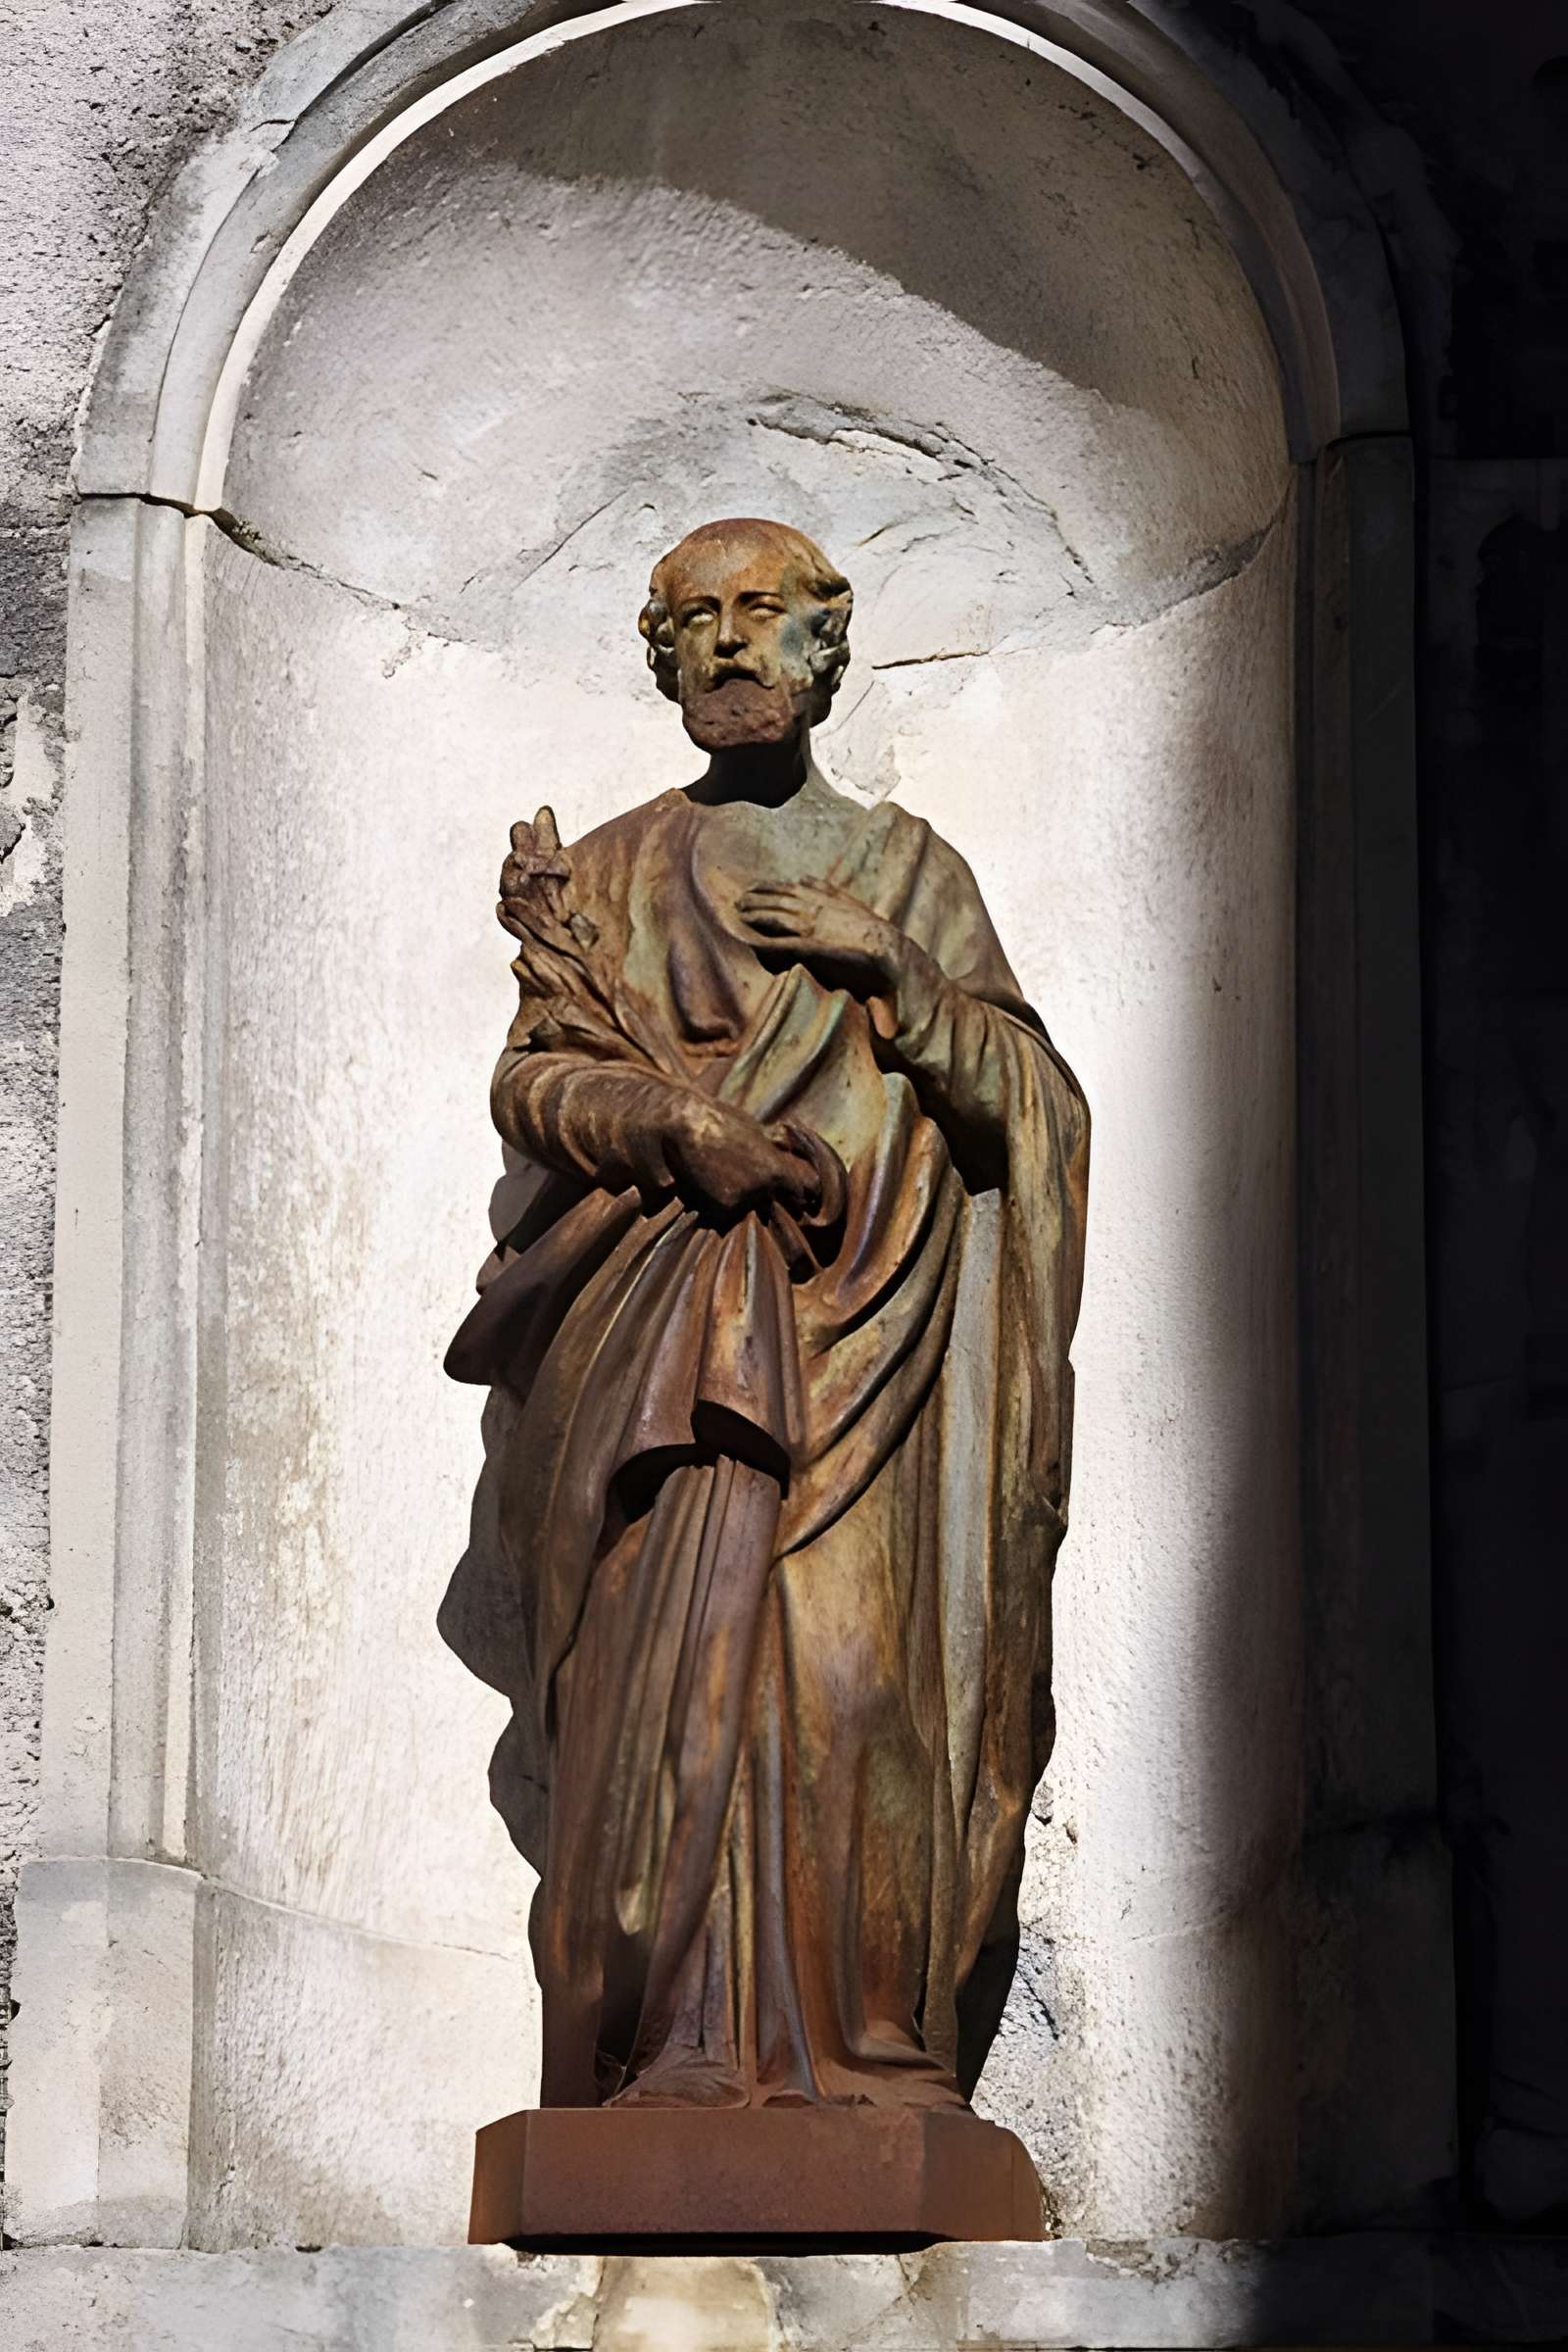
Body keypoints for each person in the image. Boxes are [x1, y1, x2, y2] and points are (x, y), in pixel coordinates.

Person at [443, 516, 1089, 2114]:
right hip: (657, 1345)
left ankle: (871, 2052)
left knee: (857, 1683)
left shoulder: (908, 872)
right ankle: (668, 2057)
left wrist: (900, 977)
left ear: (824, 646)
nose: (733, 644)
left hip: (864, 1339)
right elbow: (538, 1079)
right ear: (662, 659)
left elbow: (1036, 1115)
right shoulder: (602, 872)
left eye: (763, 614)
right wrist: (680, 1130)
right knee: (658, 1701)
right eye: (698, 622)